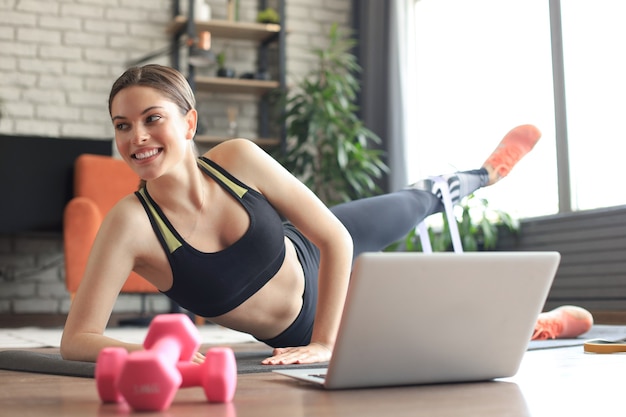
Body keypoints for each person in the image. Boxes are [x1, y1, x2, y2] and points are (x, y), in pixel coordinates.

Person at [59, 64, 584, 366]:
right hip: (298, 325)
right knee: (450, 336)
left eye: (153, 119)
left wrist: (326, 346)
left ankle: (486, 173)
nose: (138, 138)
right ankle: (540, 324)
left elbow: (333, 235)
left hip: (317, 250)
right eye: (122, 125)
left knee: (410, 202)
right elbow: (77, 339)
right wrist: (155, 353)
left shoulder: (237, 159)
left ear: (190, 123)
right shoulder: (130, 223)